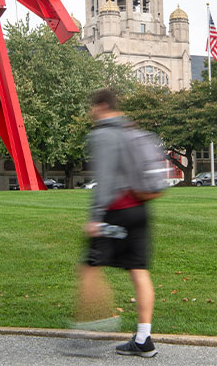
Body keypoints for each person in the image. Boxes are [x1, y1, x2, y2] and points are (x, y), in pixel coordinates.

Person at [76, 88, 159, 358]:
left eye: (92, 108)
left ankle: (89, 332)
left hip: (117, 214)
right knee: (139, 270)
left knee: (90, 265)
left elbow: (105, 180)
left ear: (100, 106)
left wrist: (96, 218)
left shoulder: (102, 135)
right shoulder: (132, 130)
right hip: (140, 210)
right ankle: (144, 338)